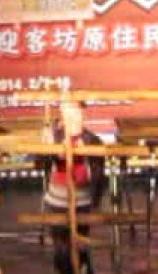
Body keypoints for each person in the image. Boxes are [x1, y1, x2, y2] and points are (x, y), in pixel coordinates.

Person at [41, 101, 105, 274]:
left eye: (76, 114)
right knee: (61, 249)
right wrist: (49, 150)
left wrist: (96, 201)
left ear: (82, 115)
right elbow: (40, 163)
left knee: (81, 247)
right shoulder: (55, 136)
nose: (73, 118)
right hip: (57, 200)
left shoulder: (92, 140)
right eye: (68, 114)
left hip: (82, 200)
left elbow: (98, 174)